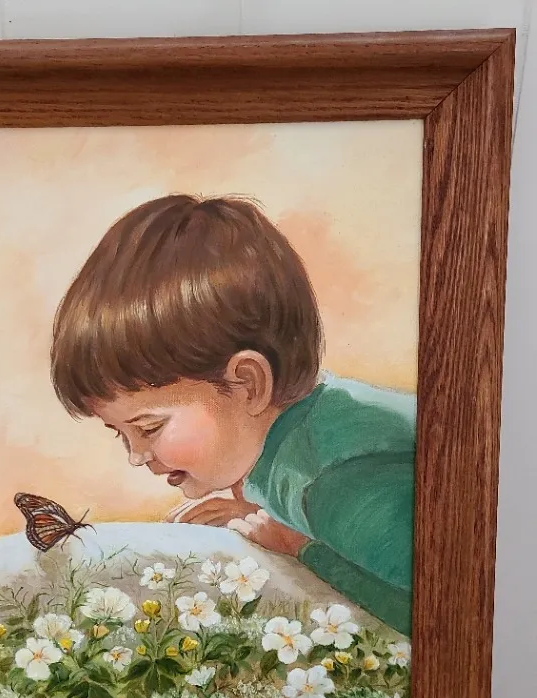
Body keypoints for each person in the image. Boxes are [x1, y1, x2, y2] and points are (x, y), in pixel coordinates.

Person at [50, 194, 415, 635]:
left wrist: (300, 548)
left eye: (149, 427)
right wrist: (253, 511)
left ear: (248, 384)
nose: (135, 456)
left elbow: (439, 608)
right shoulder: (296, 447)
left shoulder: (337, 477)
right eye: (120, 433)